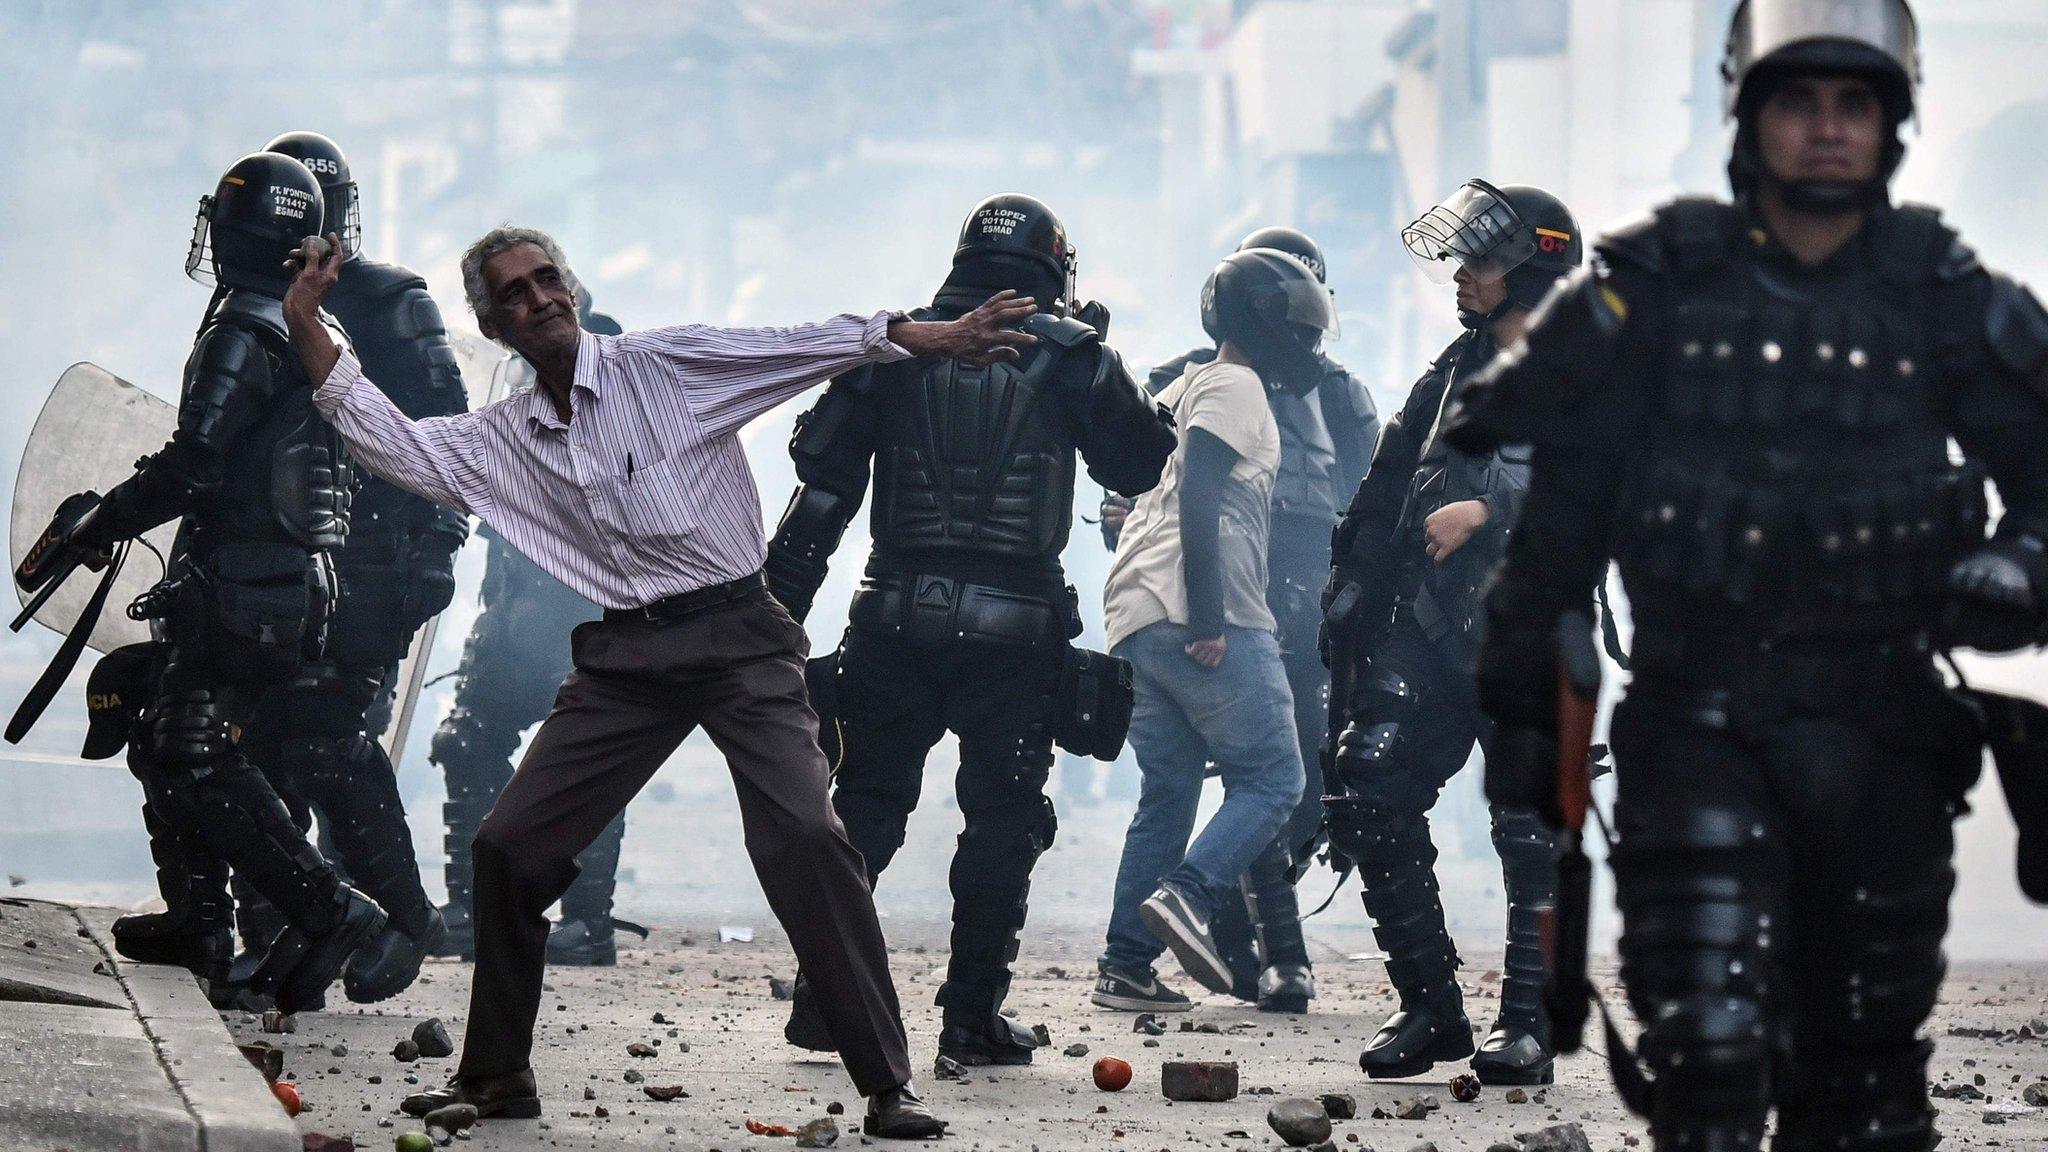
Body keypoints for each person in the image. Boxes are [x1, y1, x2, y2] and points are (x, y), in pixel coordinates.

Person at [278, 223, 1037, 1136]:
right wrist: (303, 319)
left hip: (741, 640)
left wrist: (936, 336)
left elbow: (800, 346)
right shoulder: (505, 436)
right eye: (513, 295)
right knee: (507, 850)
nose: (538, 299)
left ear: (573, 287)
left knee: (805, 836)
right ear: (495, 326)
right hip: (629, 660)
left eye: (546, 279)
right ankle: (495, 1079)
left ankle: (887, 1083)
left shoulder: (664, 365)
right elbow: (389, 440)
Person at [1443, 1, 2048, 1146]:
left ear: (1890, 122)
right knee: (1707, 1055)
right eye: (1797, 102)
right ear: (1748, 115)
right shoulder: (1651, 292)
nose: (1825, 129)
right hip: (1697, 720)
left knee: (1861, 1080)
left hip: (1884, 731)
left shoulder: (1944, 296)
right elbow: (1556, 535)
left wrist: (2017, 564)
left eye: (1852, 104)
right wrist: (1527, 732)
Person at [764, 194, 1175, 1065]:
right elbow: (1143, 461)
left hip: (892, 617)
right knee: (1005, 821)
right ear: (1054, 268)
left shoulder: (896, 348)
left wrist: (771, 621)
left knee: (865, 809)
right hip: (1014, 635)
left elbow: (822, 501)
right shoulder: (1070, 356)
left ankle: (824, 1000)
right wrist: (1097, 358)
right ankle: (970, 1017)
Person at [14, 152, 385, 1013]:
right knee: (163, 734)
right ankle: (201, 925)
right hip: (282, 582)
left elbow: (194, 467)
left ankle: (330, 912)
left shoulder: (243, 329)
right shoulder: (308, 326)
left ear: (234, 235)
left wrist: (96, 525)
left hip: (245, 585)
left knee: (190, 750)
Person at [1322, 179, 1580, 1085]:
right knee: (1366, 791)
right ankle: (1431, 1007)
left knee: (1527, 829)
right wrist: (1350, 580)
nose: (1462, 277)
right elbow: (1393, 474)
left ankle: (1529, 1026)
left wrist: (1490, 506)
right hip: (1426, 626)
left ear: (1534, 269)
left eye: (1481, 261)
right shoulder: (1454, 367)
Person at [212, 131, 471, 1007]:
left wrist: (433, 548)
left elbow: (448, 435)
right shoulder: (254, 303)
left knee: (323, 739)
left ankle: (403, 918)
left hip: (373, 560)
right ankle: (291, 939)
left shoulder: (392, 301)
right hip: (285, 565)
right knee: (262, 745)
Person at [1103, 225, 1379, 1013]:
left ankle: (1125, 962)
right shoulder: (1234, 386)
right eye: (1297, 319)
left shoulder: (1193, 385)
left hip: (1148, 611)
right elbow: (1196, 500)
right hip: (1211, 608)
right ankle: (1190, 896)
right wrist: (1213, 619)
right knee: (1277, 779)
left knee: (1169, 793)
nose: (1309, 337)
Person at [429, 288, 639, 969]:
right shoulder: (515, 380)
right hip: (517, 609)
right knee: (467, 743)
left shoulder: (615, 373)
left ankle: (587, 922)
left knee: (588, 762)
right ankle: (471, 911)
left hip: (581, 610)